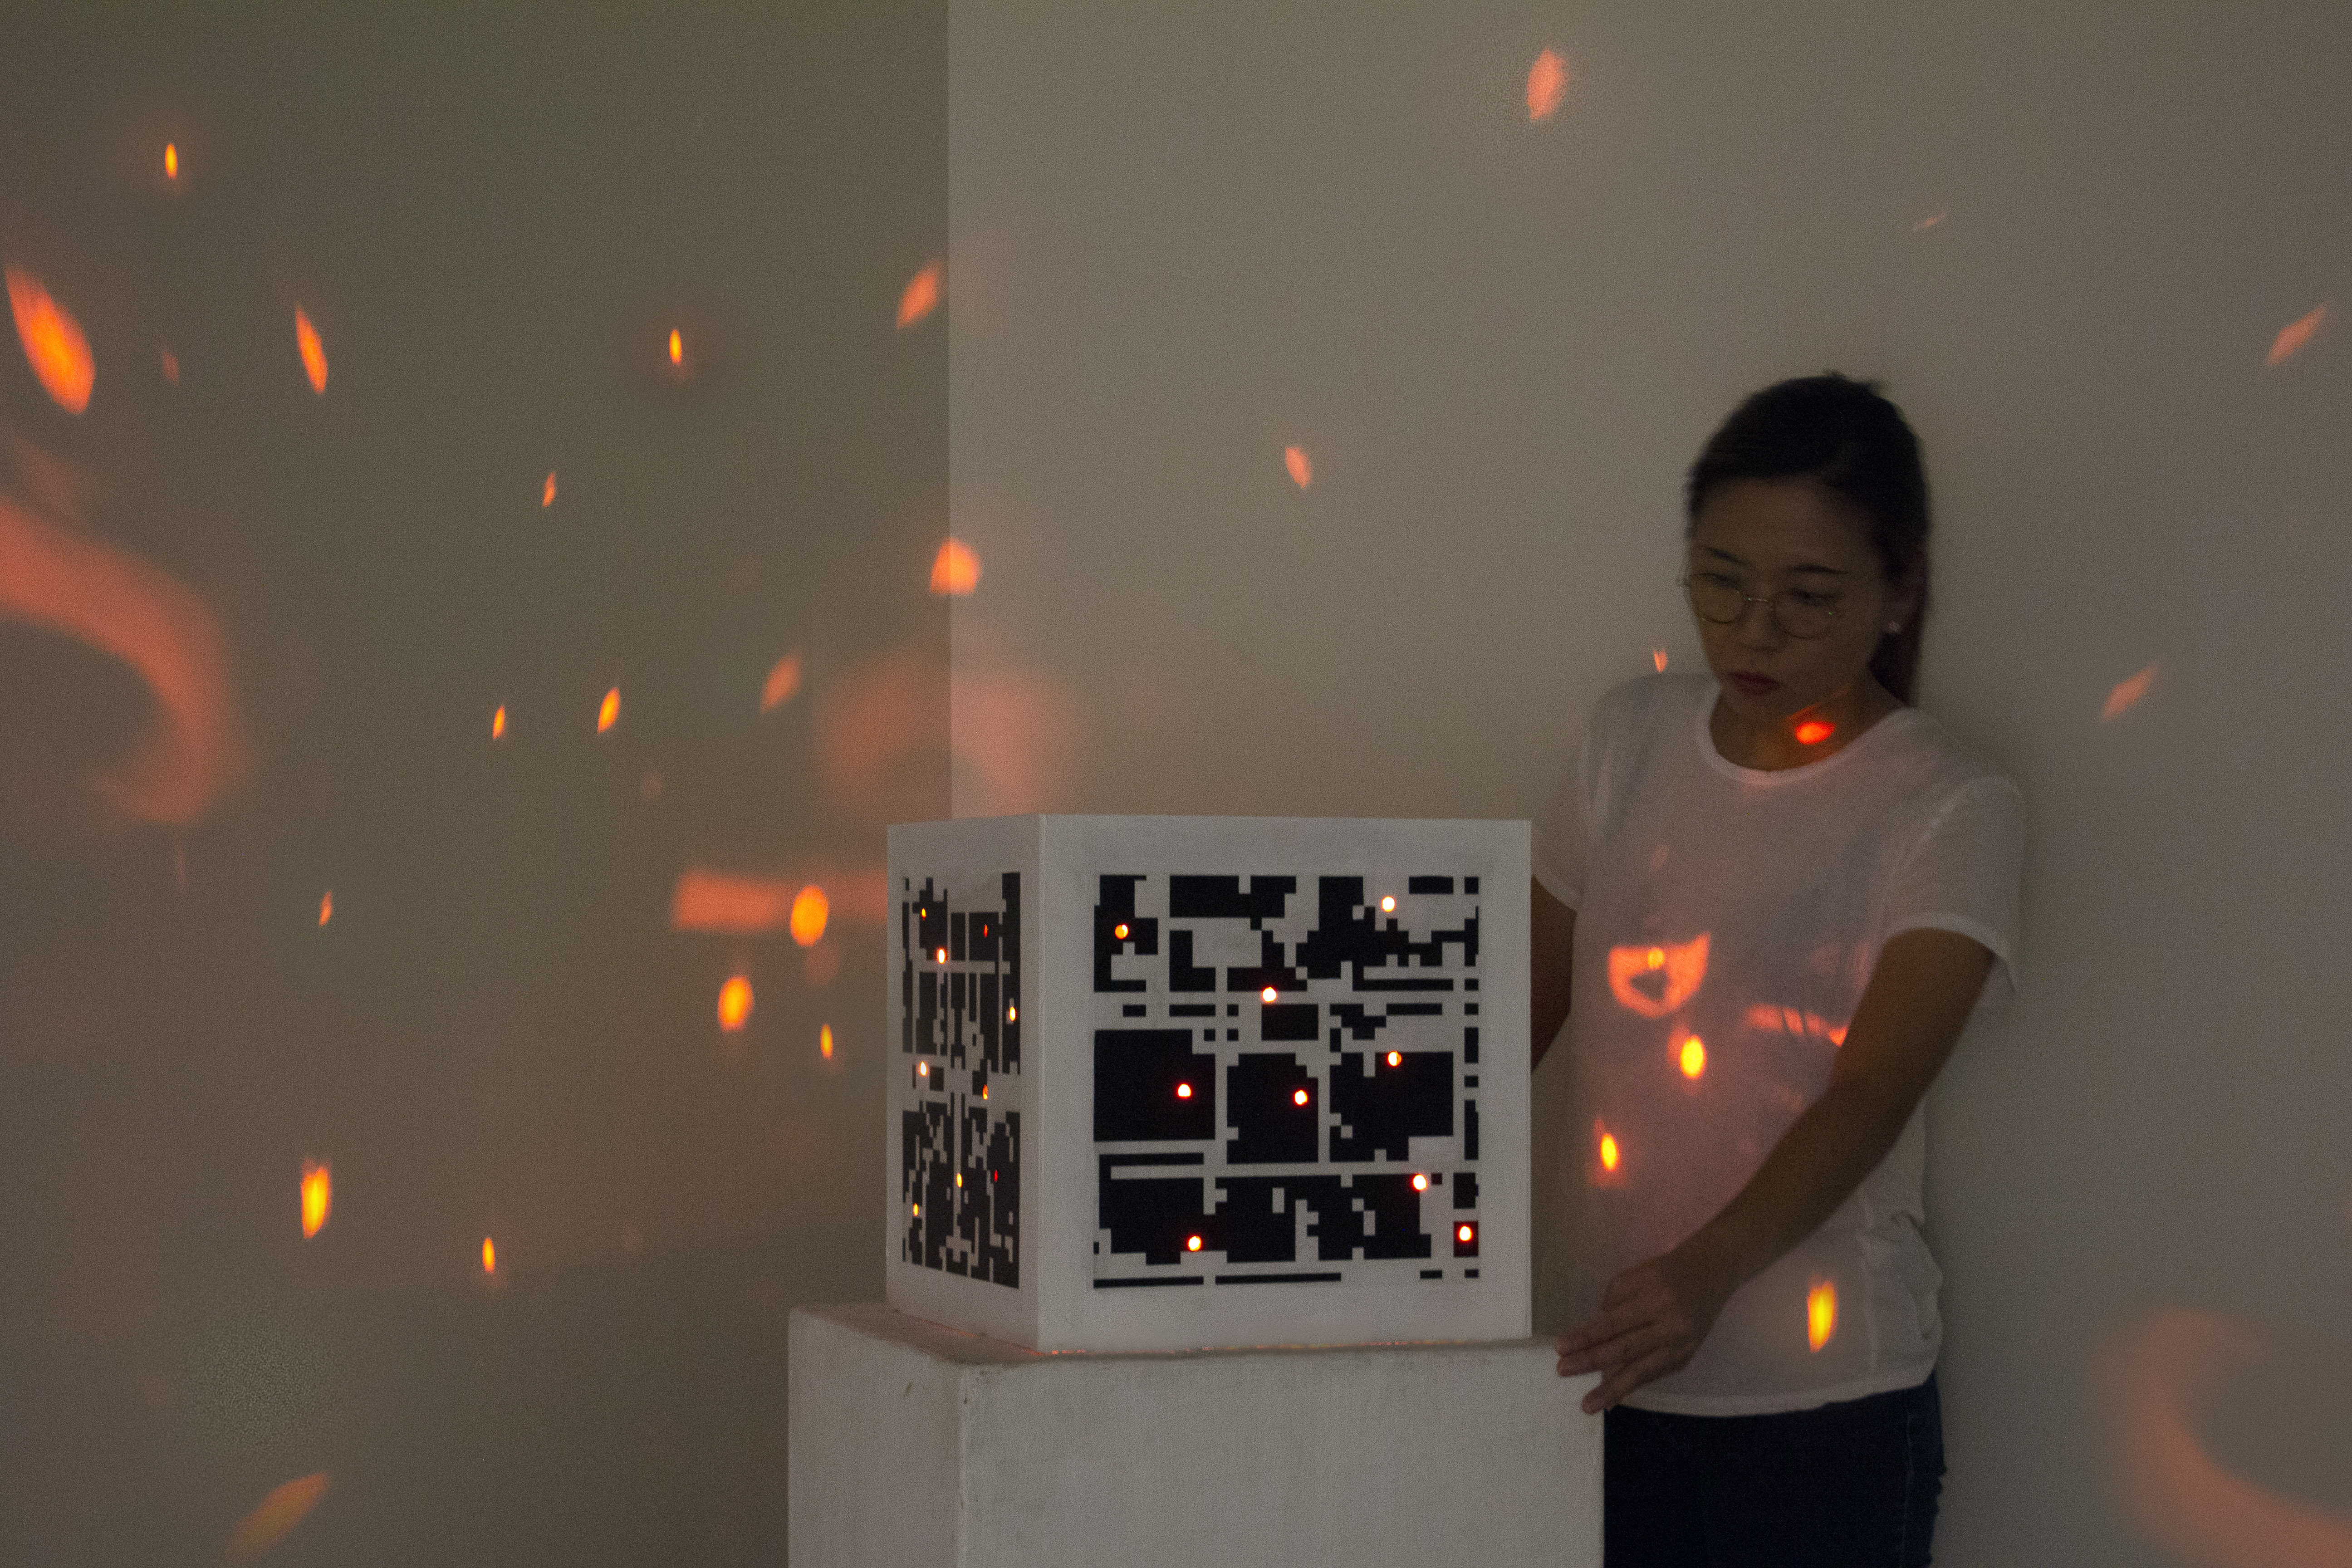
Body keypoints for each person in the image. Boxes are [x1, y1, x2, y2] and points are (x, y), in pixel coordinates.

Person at [1529, 374, 2025, 1565]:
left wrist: (1703, 1277)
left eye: (1807, 597)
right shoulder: (1628, 739)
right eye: (1721, 581)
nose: (1753, 632)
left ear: (1899, 592)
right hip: (1599, 1379)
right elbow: (1509, 1022)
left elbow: (1869, 1095)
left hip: (1821, 1414)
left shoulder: (1950, 801)